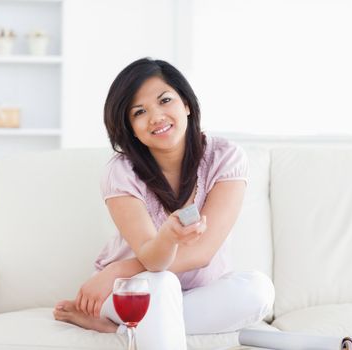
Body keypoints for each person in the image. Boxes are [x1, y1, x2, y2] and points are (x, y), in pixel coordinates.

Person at [53, 58, 275, 349]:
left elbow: (203, 252)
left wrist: (117, 269)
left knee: (258, 290)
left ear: (186, 104)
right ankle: (131, 321)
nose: (156, 116)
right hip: (131, 291)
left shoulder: (226, 157)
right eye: (139, 112)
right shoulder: (120, 172)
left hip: (196, 292)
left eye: (165, 100)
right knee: (162, 283)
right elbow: (153, 261)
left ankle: (122, 329)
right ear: (130, 127)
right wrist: (165, 240)